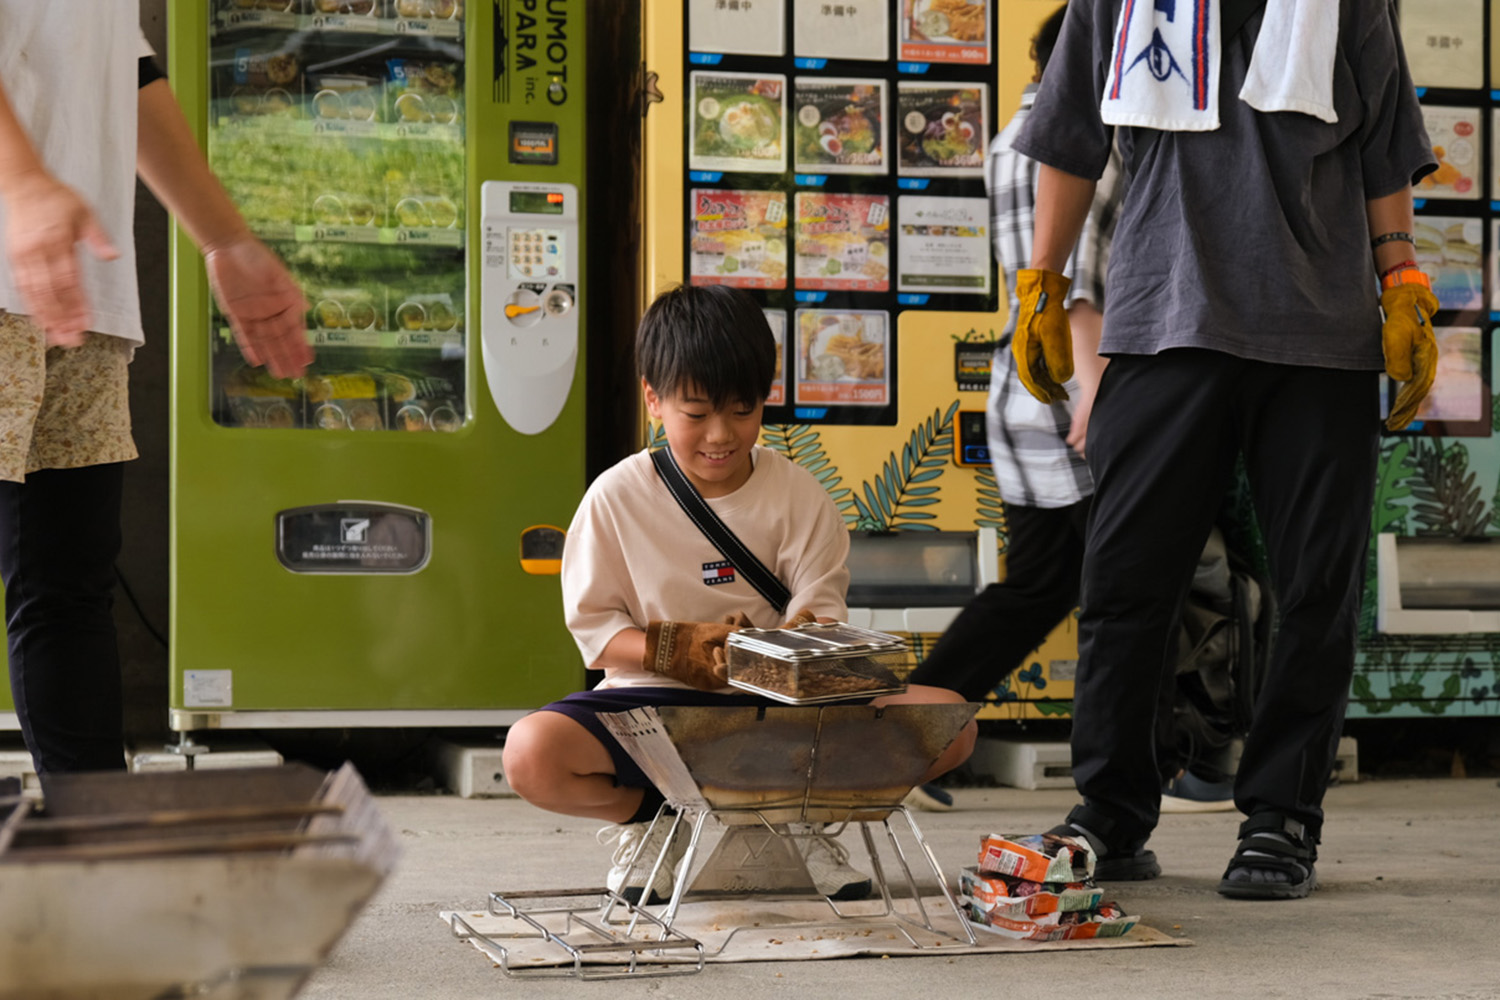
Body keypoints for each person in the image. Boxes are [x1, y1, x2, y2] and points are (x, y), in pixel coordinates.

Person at [1009, 0, 1436, 898]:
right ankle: (1112, 811)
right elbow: (1071, 136)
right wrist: (1041, 280)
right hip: (1163, 320)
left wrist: (1400, 279)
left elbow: (1384, 147)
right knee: (1126, 582)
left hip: (1319, 336)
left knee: (1317, 587)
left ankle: (1283, 815)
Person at [501, 283, 977, 904]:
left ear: (765, 401)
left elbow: (823, 621)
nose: (720, 435)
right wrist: (680, 650)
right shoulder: (615, 497)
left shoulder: (800, 496)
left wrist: (792, 648)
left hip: (782, 712)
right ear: (654, 400)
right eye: (695, 414)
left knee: (952, 723)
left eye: (742, 411)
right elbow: (597, 638)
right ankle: (657, 819)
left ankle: (798, 815)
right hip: (654, 711)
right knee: (530, 753)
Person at [0, 3, 312, 775]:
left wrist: (225, 238)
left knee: (67, 585)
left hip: (77, 282)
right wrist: (22, 183)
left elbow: (125, 65)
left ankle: (102, 853)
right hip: (20, 250)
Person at [904, 2, 1153, 811]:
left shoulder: (1007, 141)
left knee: (1040, 584)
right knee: (1145, 585)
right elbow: (1080, 285)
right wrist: (1092, 396)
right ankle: (1177, 759)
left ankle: (911, 729)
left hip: (1021, 391)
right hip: (1080, 399)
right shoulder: (1087, 145)